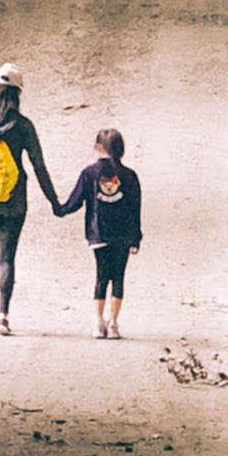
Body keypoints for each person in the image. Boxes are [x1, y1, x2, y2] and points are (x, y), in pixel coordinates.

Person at [0, 66, 53, 332]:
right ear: (18, 92)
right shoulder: (23, 125)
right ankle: (4, 315)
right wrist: (54, 201)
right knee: (7, 258)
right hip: (14, 200)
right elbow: (39, 166)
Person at [52, 129, 143, 339]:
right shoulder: (130, 176)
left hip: (98, 233)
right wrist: (136, 237)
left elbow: (75, 202)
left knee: (101, 277)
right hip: (123, 235)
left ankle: (98, 323)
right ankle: (114, 324)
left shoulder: (89, 173)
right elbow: (135, 208)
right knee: (118, 277)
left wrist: (59, 208)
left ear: (98, 147)